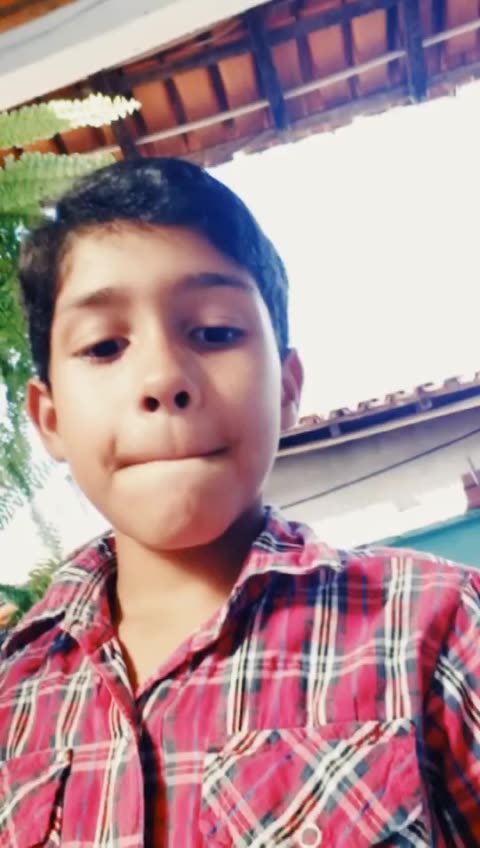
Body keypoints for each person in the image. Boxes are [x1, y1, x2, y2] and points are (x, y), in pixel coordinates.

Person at [0, 158, 478, 848]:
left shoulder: (441, 626)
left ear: (287, 387)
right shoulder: (13, 690)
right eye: (104, 346)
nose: (163, 378)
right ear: (49, 418)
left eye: (216, 332)